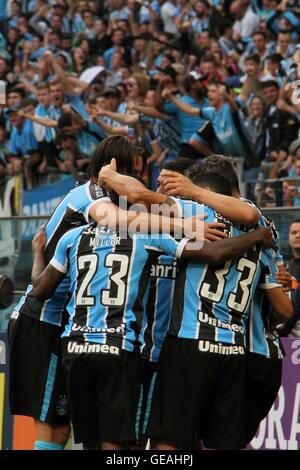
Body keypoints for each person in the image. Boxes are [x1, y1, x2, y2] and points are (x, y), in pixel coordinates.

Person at [30, 195, 274, 450]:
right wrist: (256, 237)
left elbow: (40, 289)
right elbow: (212, 253)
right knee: (121, 445)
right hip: (121, 349)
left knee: (91, 442)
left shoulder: (73, 236)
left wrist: (38, 251)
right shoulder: (145, 234)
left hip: (76, 349)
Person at [146, 161, 292, 450]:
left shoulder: (197, 213)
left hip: (191, 340)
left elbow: (140, 207)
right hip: (235, 348)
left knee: (168, 441)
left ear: (205, 189)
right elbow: (284, 307)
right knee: (221, 442)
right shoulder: (263, 227)